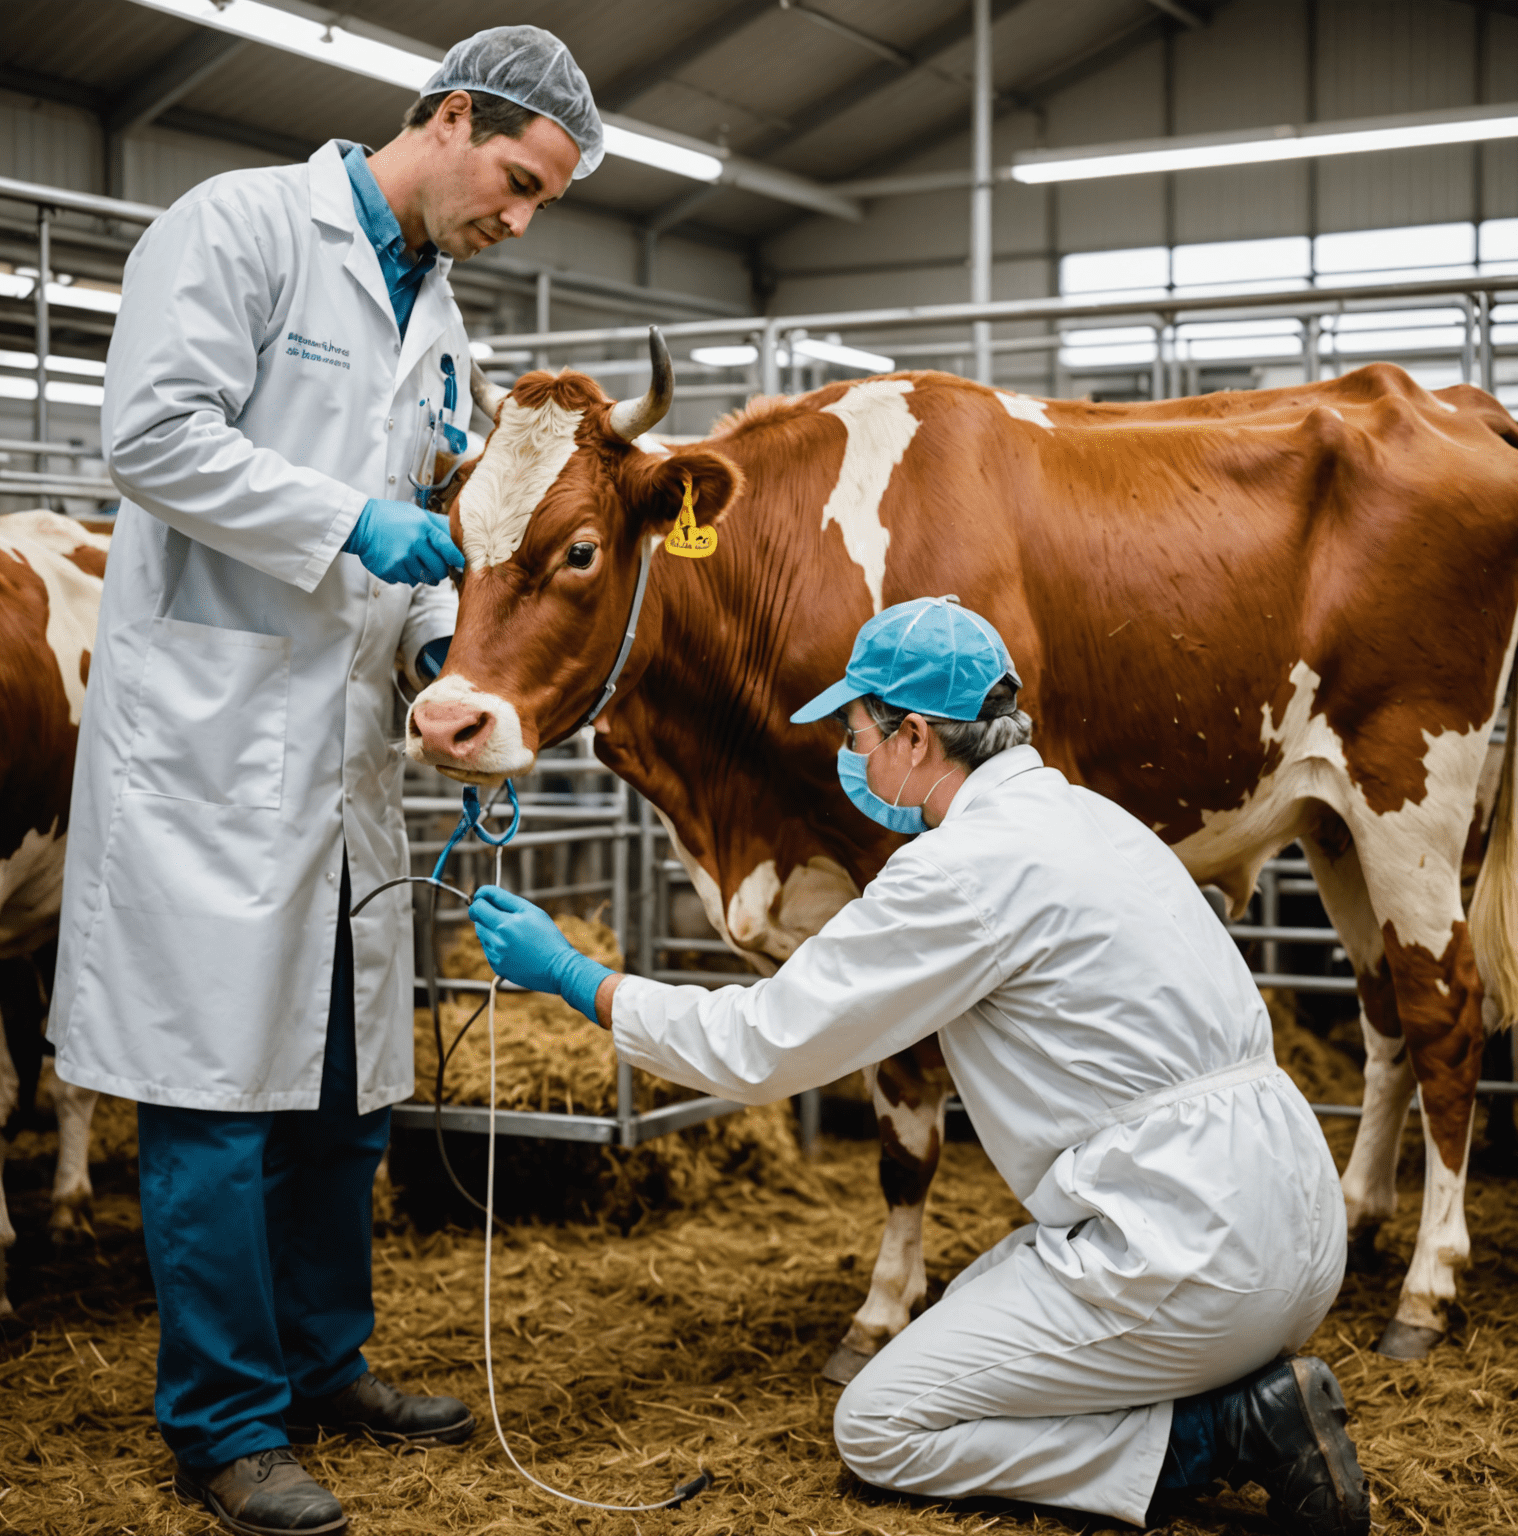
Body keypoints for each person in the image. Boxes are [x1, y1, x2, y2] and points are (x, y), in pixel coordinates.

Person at [469, 596, 1371, 1536]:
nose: (845, 753)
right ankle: (1234, 1383)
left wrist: (578, 978)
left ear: (912, 736)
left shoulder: (962, 870)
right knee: (974, 1300)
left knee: (883, 1423)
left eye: (855, 730)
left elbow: (762, 1044)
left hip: (1190, 1248)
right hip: (1295, 1223)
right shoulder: (1090, 817)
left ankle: (1225, 1433)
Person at [47, 26, 603, 1536]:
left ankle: (322, 1366)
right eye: (517, 180)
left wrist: (448, 670)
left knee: (347, 1098)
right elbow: (152, 436)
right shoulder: (234, 229)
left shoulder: (445, 322)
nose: (519, 216)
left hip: (350, 759)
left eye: (542, 199)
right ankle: (225, 1427)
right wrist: (349, 522)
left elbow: (440, 543)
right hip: (212, 749)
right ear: (445, 115)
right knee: (218, 1103)